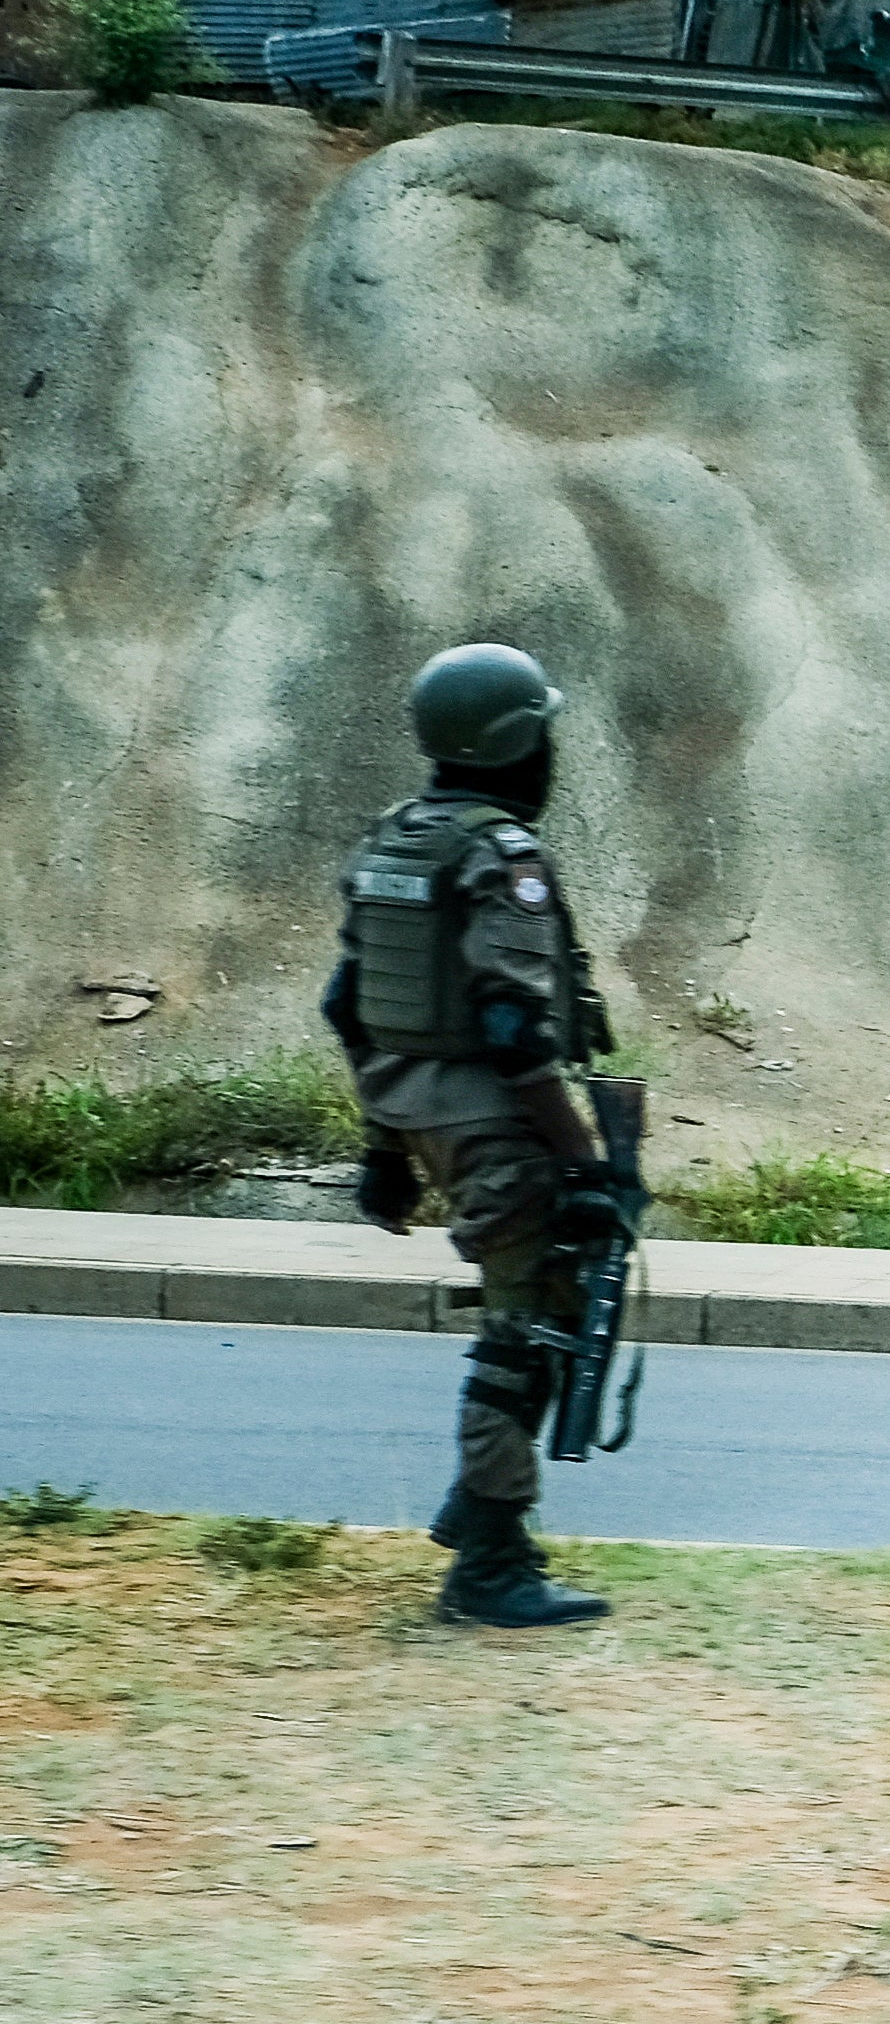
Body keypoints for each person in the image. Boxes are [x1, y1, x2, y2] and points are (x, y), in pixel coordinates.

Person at [323, 643, 622, 1630]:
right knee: (527, 1329)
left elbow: (352, 1005)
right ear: (517, 743)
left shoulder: (396, 839)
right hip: (498, 1128)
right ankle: (489, 1566)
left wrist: (381, 1147)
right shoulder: (501, 854)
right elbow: (510, 1025)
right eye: (542, 734)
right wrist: (582, 1160)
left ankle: (483, 1511)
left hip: (418, 1110)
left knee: (540, 1311)